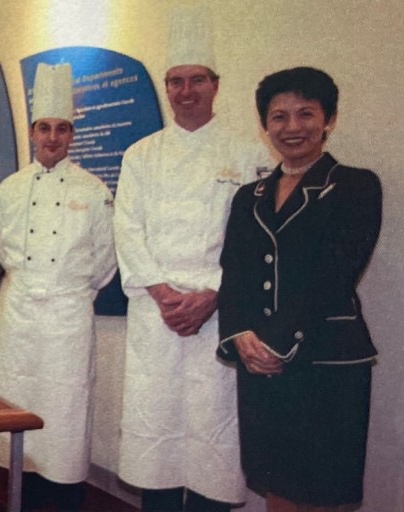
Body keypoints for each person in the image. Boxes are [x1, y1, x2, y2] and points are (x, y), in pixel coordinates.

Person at [113, 7, 274, 511]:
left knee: (214, 427)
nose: (186, 91)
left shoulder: (249, 155)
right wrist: (163, 293)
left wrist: (213, 294)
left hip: (220, 311)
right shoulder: (141, 154)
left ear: (216, 85)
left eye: (197, 80)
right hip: (156, 312)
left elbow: (256, 243)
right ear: (167, 87)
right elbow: (128, 228)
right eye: (176, 81)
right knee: (155, 423)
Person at [217, 67, 381, 512]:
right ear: (265, 124)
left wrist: (273, 341)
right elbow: (233, 273)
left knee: (323, 489)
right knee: (276, 482)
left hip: (326, 361)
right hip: (259, 362)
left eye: (305, 113)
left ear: (329, 119)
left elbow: (335, 274)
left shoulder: (355, 186)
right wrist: (237, 334)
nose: (292, 127)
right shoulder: (248, 196)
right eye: (279, 116)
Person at [0, 63, 116, 512]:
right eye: (44, 127)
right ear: (32, 131)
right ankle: (20, 497)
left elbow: (105, 260)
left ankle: (63, 498)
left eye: (62, 129)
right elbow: (5, 249)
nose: (52, 137)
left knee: (67, 406)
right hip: (21, 311)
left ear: (71, 134)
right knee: (19, 399)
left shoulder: (94, 188)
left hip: (68, 315)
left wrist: (67, 290)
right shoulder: (10, 187)